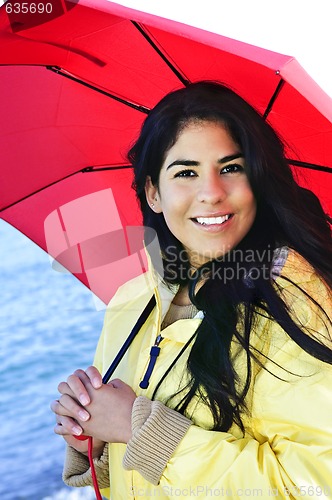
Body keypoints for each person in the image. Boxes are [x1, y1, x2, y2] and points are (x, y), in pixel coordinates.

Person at [51, 81, 332, 499]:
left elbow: (313, 484)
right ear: (153, 193)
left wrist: (138, 428)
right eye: (186, 172)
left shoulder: (295, 299)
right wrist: (93, 440)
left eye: (231, 168)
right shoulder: (132, 301)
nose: (212, 193)